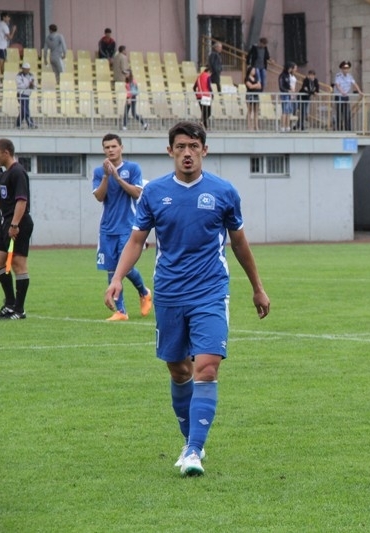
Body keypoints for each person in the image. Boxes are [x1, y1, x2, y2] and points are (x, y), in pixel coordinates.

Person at [104, 121, 270, 476]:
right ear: (170, 151)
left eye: (194, 146)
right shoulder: (154, 192)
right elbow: (137, 241)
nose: (187, 153)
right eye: (180, 147)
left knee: (206, 366)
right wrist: (117, 278)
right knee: (179, 370)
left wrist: (257, 287)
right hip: (169, 292)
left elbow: (239, 243)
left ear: (204, 150)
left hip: (210, 291)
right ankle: (190, 439)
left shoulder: (224, 192)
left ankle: (193, 450)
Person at [92, 133, 152, 321]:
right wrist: (106, 176)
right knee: (112, 269)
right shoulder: (99, 171)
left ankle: (144, 292)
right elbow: (99, 197)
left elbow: (137, 193)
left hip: (128, 226)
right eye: (107, 147)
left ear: (121, 148)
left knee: (125, 267)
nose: (110, 150)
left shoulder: (133, 168)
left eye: (113, 146)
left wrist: (117, 178)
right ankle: (121, 311)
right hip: (107, 228)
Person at [0, 138, 34, 320]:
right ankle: (10, 303)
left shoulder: (18, 172)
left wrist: (14, 225)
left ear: (5, 152)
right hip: (6, 222)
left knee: (18, 264)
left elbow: (21, 200)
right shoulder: (5, 174)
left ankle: (19, 310)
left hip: (18, 223)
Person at [333, 60, 360, 131]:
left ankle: (348, 129)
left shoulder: (350, 76)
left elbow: (354, 84)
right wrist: (342, 92)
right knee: (339, 113)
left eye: (347, 68)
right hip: (339, 96)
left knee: (347, 113)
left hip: (345, 96)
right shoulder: (338, 76)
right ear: (342, 69)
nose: (346, 70)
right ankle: (339, 128)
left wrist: (360, 92)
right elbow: (337, 85)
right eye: (344, 68)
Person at [15, 62, 37, 129]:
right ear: (23, 69)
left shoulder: (31, 75)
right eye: (25, 69)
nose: (27, 70)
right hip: (21, 94)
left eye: (28, 69)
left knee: (23, 110)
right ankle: (30, 123)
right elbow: (19, 85)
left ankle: (18, 124)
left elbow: (34, 85)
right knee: (25, 109)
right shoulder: (19, 75)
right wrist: (28, 85)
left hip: (27, 94)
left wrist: (32, 85)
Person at [278, 61, 297, 132]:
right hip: (284, 94)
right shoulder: (282, 75)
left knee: (288, 111)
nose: (290, 70)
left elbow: (289, 85)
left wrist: (291, 90)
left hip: (288, 95)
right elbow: (281, 87)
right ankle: (283, 126)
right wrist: (287, 91)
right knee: (284, 111)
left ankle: (287, 126)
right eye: (290, 68)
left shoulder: (288, 76)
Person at [0, 12, 16, 79]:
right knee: (2, 65)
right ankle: (2, 78)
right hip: (2, 47)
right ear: (4, 17)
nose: (9, 18)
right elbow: (10, 37)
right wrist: (13, 30)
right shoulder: (4, 26)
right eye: (8, 17)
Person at [244, 65, 261, 131]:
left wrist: (255, 85)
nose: (254, 71)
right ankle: (249, 126)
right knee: (250, 110)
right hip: (249, 95)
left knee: (256, 111)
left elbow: (260, 86)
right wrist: (256, 85)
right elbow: (250, 86)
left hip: (256, 95)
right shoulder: (247, 78)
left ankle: (256, 126)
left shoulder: (256, 78)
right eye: (253, 70)